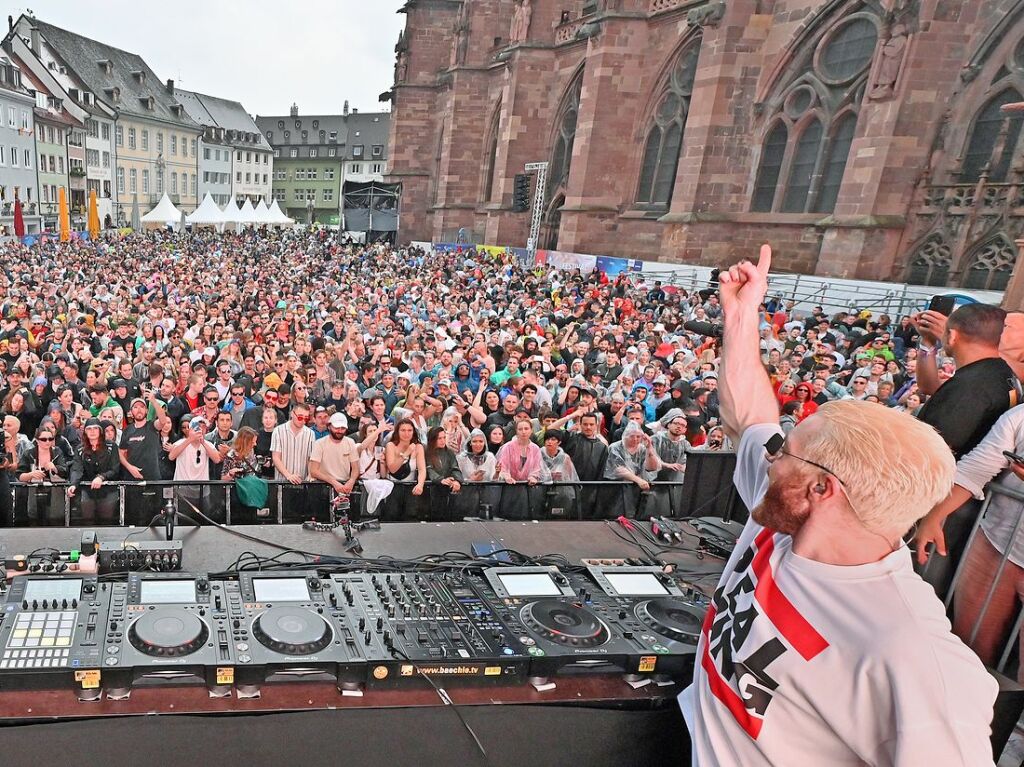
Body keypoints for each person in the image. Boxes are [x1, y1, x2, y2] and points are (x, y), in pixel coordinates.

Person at [681, 244, 997, 765]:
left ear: (821, 490)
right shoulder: (786, 513)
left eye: (785, 451)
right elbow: (749, 416)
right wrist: (740, 314)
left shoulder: (913, 658)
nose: (771, 454)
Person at [17, 424, 73, 525]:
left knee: (55, 518)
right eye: (44, 439)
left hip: (55, 491)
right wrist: (31, 474)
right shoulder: (28, 453)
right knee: (34, 518)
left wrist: (54, 468)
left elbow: (65, 472)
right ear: (37, 440)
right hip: (33, 491)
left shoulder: (57, 452)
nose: (47, 442)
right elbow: (19, 475)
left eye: (50, 439)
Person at [271, 401, 317, 520]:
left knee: (302, 519)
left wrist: (311, 474)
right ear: (292, 414)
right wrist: (288, 475)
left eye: (306, 418)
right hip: (282, 484)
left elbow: (311, 458)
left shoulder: (310, 434)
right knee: (282, 518)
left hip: (302, 484)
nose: (302, 421)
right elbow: (276, 457)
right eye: (300, 417)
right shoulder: (278, 431)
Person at [496, 419, 549, 519]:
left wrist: (533, 477)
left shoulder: (535, 448)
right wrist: (507, 477)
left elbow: (537, 468)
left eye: (526, 428)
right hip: (509, 488)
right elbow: (502, 466)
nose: (523, 431)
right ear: (516, 431)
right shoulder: (507, 447)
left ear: (531, 430)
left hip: (528, 489)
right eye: (520, 429)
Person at [308, 412, 360, 516]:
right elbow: (313, 470)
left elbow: (356, 468)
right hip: (322, 488)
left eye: (342, 428)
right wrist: (334, 482)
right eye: (336, 428)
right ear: (329, 426)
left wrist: (351, 481)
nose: (339, 431)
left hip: (344, 488)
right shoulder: (320, 443)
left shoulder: (350, 442)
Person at [73, 418, 120, 525]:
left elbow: (115, 469)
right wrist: (73, 484)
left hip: (108, 490)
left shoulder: (111, 447)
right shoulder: (80, 449)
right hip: (88, 491)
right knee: (87, 522)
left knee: (106, 522)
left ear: (100, 431)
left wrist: (101, 477)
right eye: (89, 429)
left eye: (95, 428)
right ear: (84, 431)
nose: (92, 431)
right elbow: (77, 469)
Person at [383, 418, 425, 520]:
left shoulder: (418, 447)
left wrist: (420, 484)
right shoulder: (391, 446)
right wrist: (406, 453)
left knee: (411, 517)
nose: (406, 433)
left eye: (409, 430)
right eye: (403, 430)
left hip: (409, 487)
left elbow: (422, 469)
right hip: (392, 488)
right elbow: (393, 468)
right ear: (397, 432)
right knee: (391, 517)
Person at [222, 426, 265, 520]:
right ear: (245, 442)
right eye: (252, 442)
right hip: (238, 494)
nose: (255, 444)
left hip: (252, 494)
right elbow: (223, 478)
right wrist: (231, 474)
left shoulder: (252, 452)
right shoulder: (231, 455)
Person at [423, 425, 463, 520]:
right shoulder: (426, 452)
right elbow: (428, 469)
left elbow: (455, 468)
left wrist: (457, 480)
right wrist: (439, 479)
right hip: (429, 493)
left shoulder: (449, 452)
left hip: (446, 492)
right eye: (439, 438)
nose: (442, 441)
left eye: (444, 437)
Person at [539, 429, 578, 518]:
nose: (549, 442)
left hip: (560, 491)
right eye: (547, 439)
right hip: (541, 490)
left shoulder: (565, 458)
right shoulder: (537, 454)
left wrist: (560, 476)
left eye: (553, 439)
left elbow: (569, 477)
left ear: (559, 442)